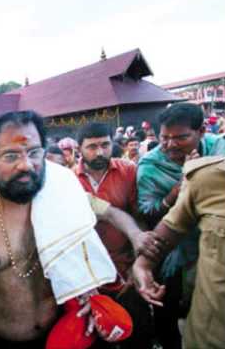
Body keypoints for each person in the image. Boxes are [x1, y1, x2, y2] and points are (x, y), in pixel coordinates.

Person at [0, 111, 147, 348]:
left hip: (65, 330)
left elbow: (109, 211)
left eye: (34, 153)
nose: (26, 165)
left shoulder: (62, 190)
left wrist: (136, 235)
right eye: (11, 156)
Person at [136, 102, 225, 348]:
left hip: (214, 247)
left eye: (181, 137)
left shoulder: (218, 149)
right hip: (175, 251)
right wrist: (177, 192)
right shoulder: (150, 166)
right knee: (170, 307)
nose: (170, 144)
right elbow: (147, 212)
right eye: (164, 138)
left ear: (201, 133)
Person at [74, 122, 154, 348]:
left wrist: (137, 264)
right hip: (88, 281)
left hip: (126, 272)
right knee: (97, 340)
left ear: (113, 144)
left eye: (104, 145)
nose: (99, 152)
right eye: (91, 146)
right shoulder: (68, 181)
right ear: (79, 149)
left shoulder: (129, 170)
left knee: (138, 334)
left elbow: (139, 218)